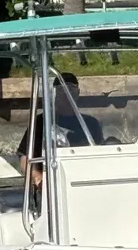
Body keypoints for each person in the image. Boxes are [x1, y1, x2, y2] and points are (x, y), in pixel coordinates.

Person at [16, 72, 104, 209]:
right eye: (62, 91)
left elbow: (101, 158)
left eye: (71, 90)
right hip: (49, 187)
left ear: (78, 93)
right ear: (54, 94)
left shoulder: (91, 124)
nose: (67, 95)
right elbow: (24, 159)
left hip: (84, 185)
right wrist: (38, 179)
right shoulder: (40, 122)